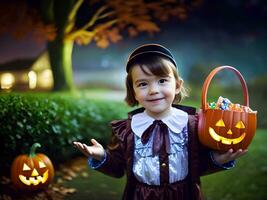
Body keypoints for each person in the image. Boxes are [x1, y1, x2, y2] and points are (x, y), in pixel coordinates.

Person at [73, 44, 247, 200]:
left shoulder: (193, 125)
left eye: (162, 81)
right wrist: (102, 156)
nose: (153, 90)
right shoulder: (126, 130)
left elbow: (198, 164)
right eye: (142, 84)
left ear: (177, 85)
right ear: (133, 91)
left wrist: (217, 159)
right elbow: (118, 167)